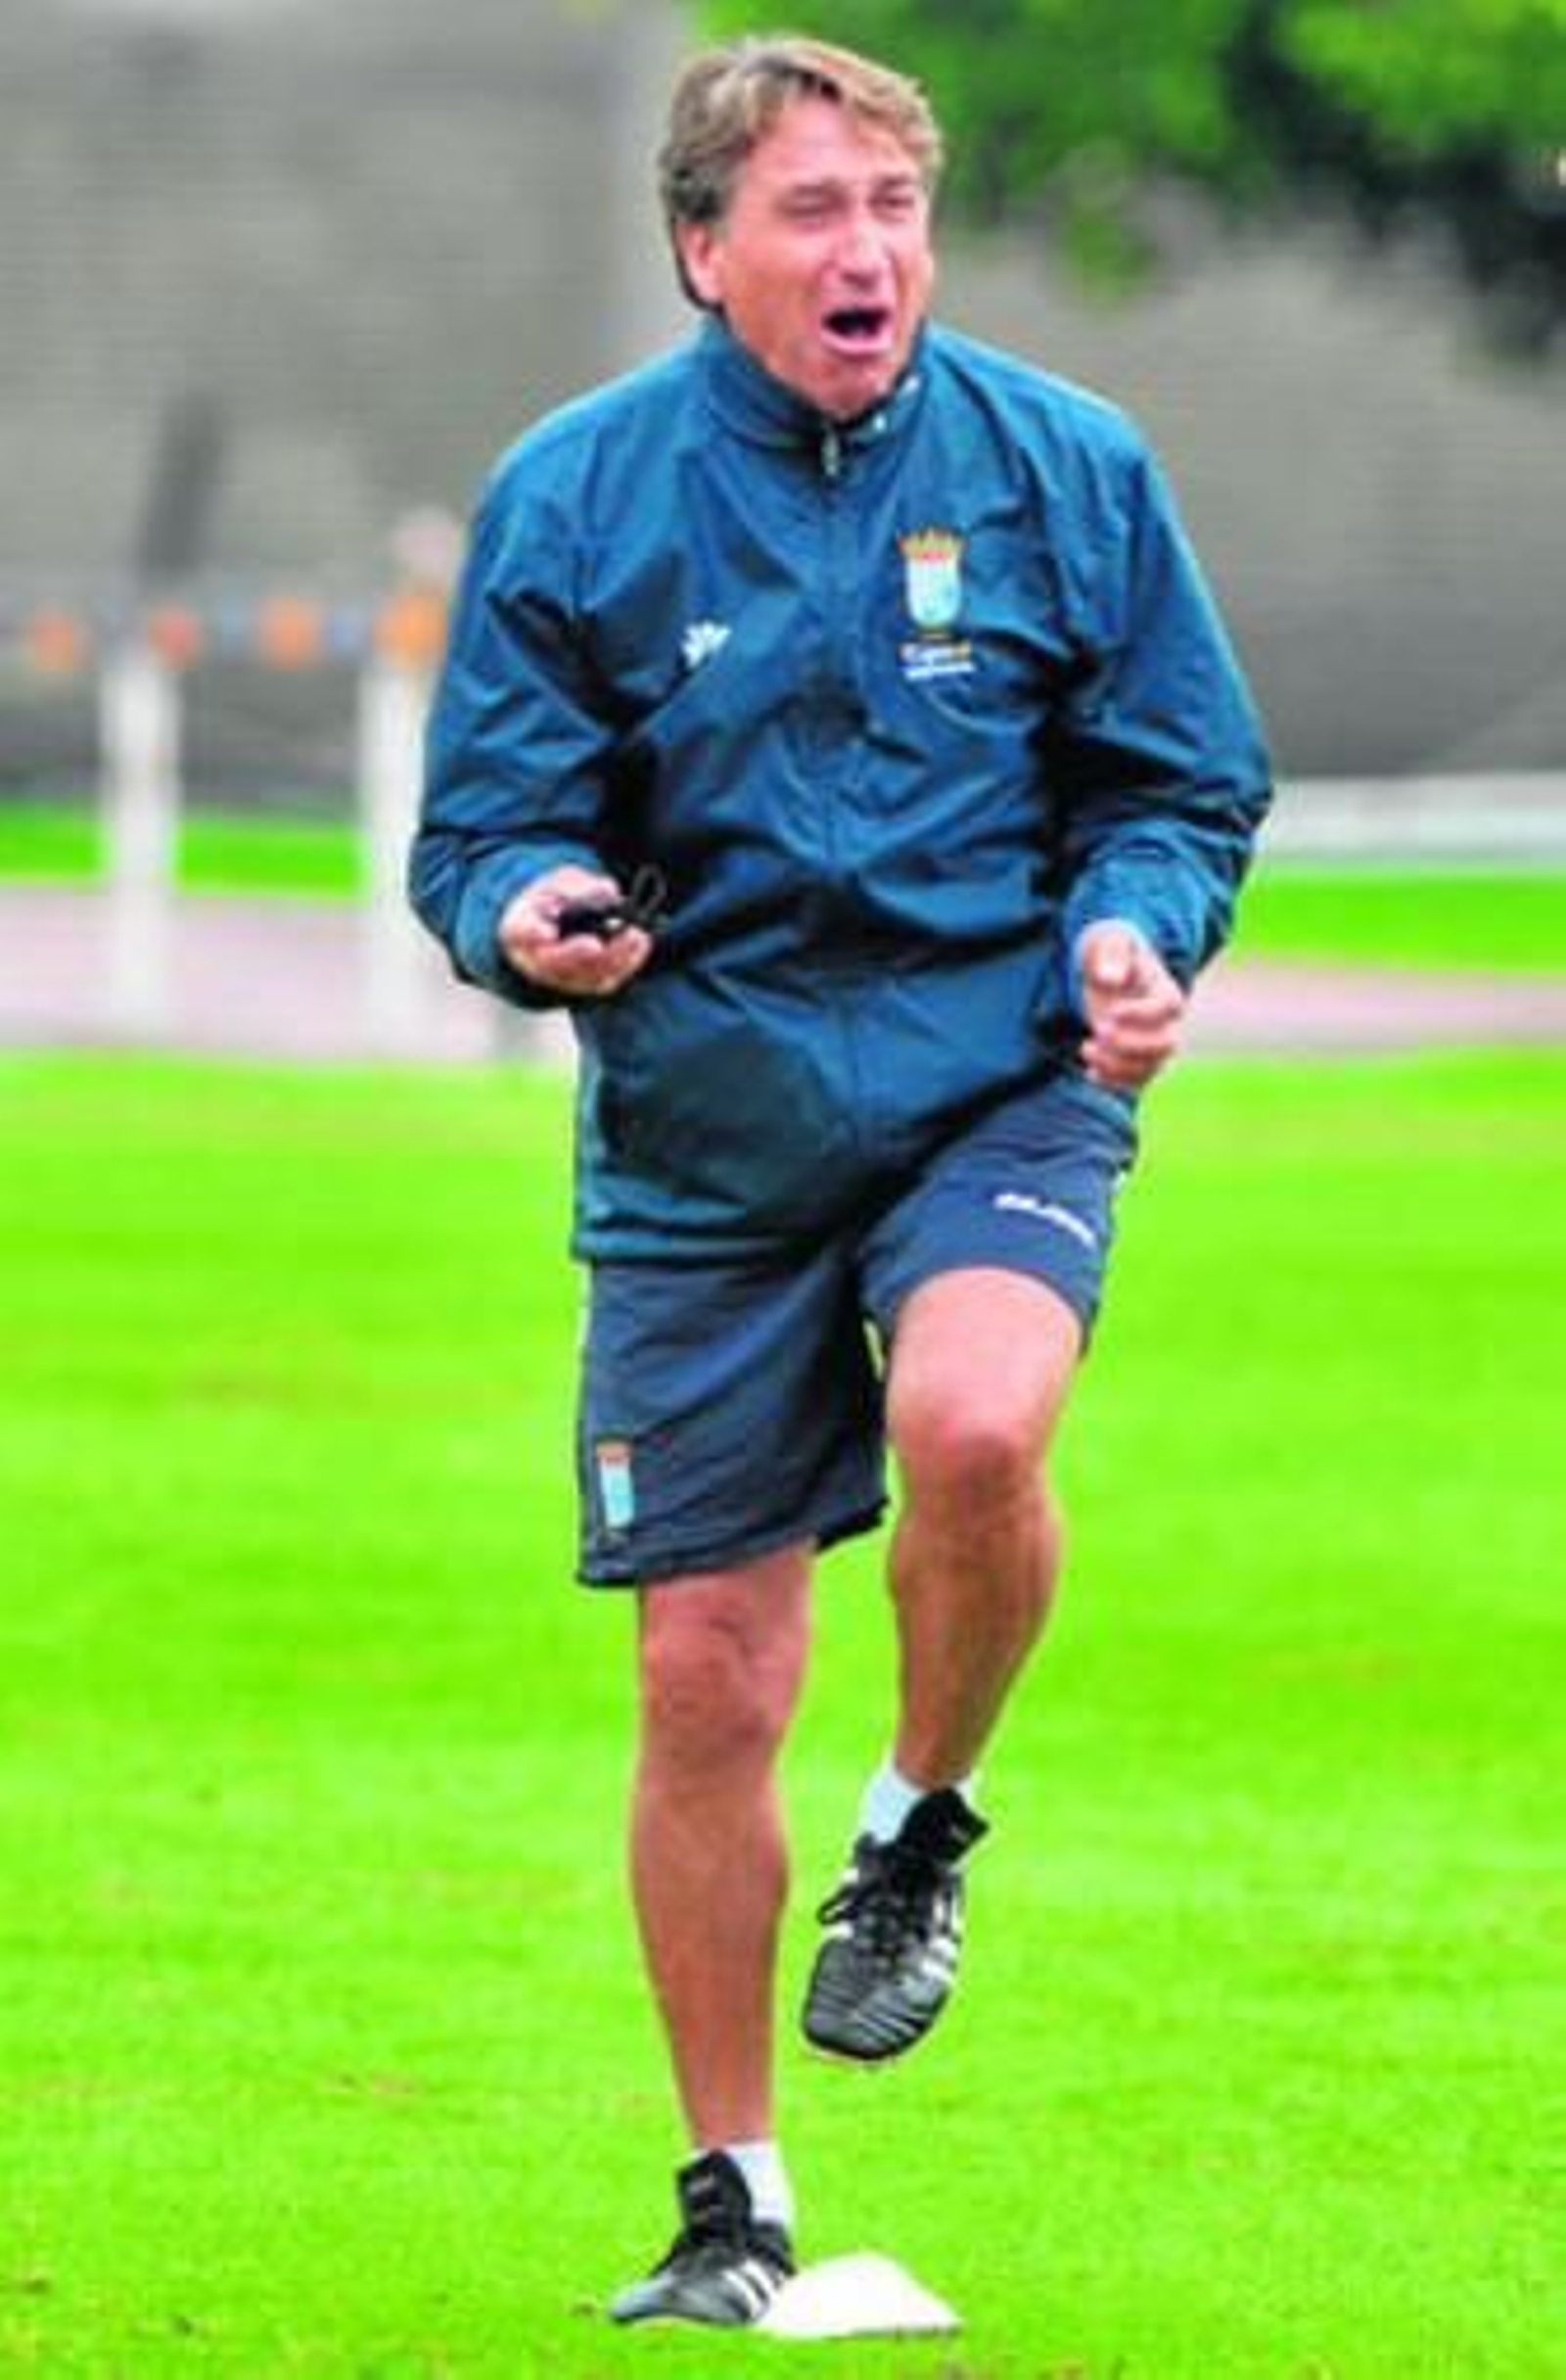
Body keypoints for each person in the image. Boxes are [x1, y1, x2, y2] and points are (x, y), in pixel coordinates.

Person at [409, 32, 1270, 2330]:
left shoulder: (1067, 471)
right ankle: (732, 2200)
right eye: (808, 210)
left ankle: (917, 1821)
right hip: (703, 1127)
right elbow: (477, 826)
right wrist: (525, 912)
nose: (863, 249)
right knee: (704, 1674)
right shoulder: (575, 497)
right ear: (701, 248)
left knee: (977, 1419)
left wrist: (1134, 927)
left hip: (993, 1077)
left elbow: (1182, 779)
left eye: (890, 205)